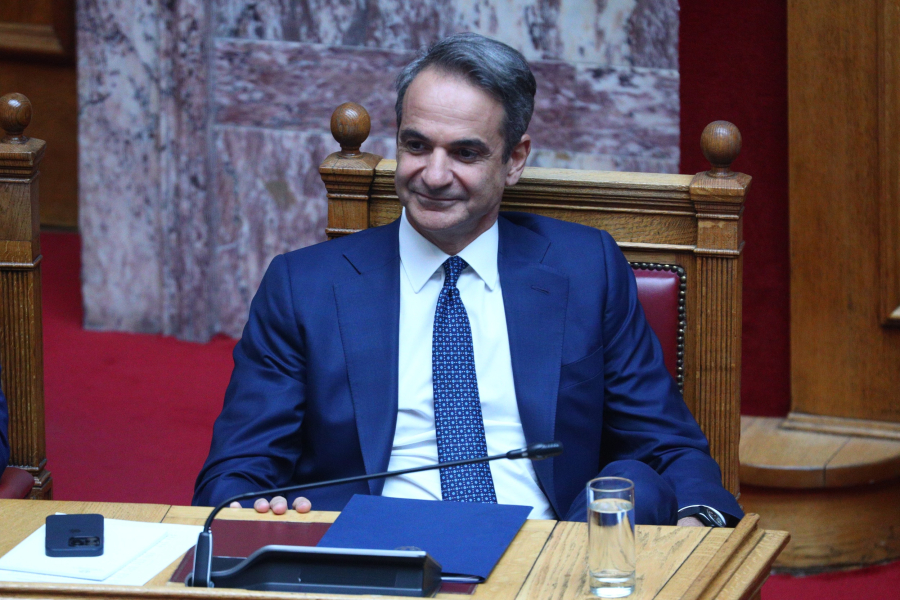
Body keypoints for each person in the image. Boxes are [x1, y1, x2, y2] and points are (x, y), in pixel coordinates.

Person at [193, 33, 743, 527]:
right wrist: (254, 515)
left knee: (635, 484)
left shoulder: (585, 269)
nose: (433, 175)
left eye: (465, 152)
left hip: (547, 558)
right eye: (416, 145)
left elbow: (665, 446)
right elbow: (236, 473)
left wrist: (695, 526)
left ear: (515, 160)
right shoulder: (303, 286)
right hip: (376, 556)